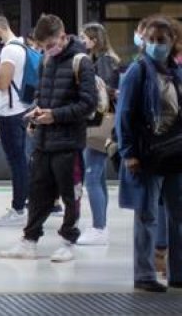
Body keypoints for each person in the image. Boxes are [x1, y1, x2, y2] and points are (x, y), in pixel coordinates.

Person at [0, 14, 97, 264]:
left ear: (63, 37)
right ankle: (29, 240)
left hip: (69, 143)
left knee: (70, 194)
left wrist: (55, 116)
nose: (47, 50)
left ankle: (68, 242)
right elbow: (42, 95)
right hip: (44, 141)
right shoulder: (47, 60)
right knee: (38, 192)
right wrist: (36, 113)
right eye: (43, 47)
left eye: (50, 44)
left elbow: (88, 105)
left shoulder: (81, 62)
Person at [116, 15, 182, 292]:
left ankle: (177, 273)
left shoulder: (176, 73)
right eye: (152, 40)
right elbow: (125, 114)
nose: (156, 45)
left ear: (172, 42)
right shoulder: (137, 72)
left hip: (175, 155)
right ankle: (144, 275)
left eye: (162, 41)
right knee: (147, 216)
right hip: (147, 156)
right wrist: (128, 152)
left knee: (178, 216)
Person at [0, 13, 33, 228]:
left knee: (17, 162)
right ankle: (23, 204)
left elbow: (3, 83)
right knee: (20, 160)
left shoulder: (10, 50)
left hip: (11, 113)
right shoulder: (22, 47)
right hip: (21, 109)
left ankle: (19, 208)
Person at [77, 22, 120, 246]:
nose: (81, 41)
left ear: (94, 40)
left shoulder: (103, 62)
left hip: (99, 125)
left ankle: (99, 227)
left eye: (84, 37)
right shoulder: (106, 60)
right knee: (98, 176)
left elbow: (102, 94)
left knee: (92, 176)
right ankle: (99, 222)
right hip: (103, 125)